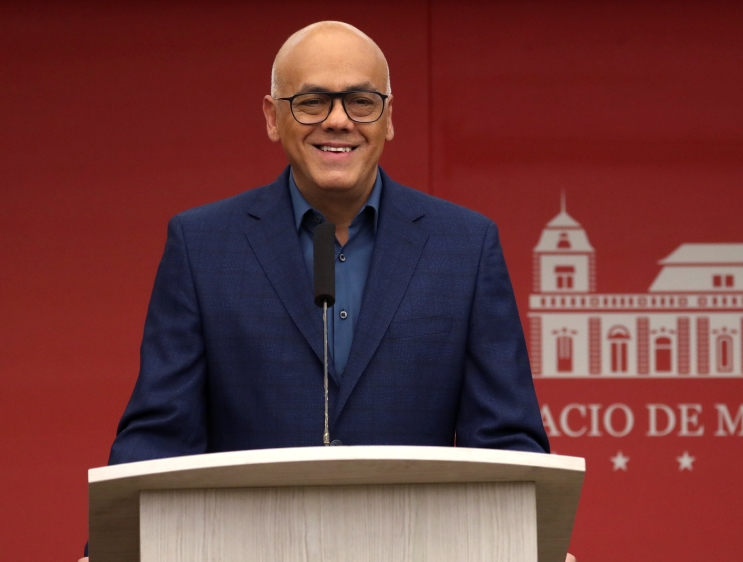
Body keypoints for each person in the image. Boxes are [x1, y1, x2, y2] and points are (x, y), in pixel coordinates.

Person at [80, 21, 575, 562]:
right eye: (312, 101)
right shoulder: (203, 246)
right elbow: (160, 436)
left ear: (389, 118)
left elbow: (506, 442)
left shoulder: (464, 246)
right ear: (273, 117)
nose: (338, 120)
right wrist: (110, 551)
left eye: (361, 101)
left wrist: (533, 549)